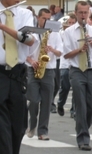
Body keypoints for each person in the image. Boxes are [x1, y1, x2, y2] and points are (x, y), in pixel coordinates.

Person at [0, 0, 36, 154]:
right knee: (1, 129)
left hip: (17, 75)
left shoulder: (25, 14)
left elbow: (29, 40)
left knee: (18, 126)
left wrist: (3, 26)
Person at [63, 1, 92, 151]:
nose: (82, 15)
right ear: (76, 13)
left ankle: (83, 127)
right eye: (80, 13)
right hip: (76, 70)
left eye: (85, 13)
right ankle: (83, 139)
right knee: (80, 104)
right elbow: (66, 55)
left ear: (89, 14)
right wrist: (79, 50)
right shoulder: (68, 32)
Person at [26, 8, 63, 140]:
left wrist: (52, 49)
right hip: (32, 68)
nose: (47, 21)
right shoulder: (31, 32)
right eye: (44, 19)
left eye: (49, 19)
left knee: (47, 102)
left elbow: (60, 53)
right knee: (34, 100)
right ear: (38, 18)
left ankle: (43, 132)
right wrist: (31, 60)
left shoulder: (55, 34)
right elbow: (23, 52)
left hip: (49, 69)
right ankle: (32, 125)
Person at [56, 13, 77, 117]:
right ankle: (60, 103)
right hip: (64, 64)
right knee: (65, 87)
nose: (71, 25)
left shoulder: (78, 33)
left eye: (73, 23)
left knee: (76, 87)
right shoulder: (62, 33)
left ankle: (74, 110)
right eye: (70, 23)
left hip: (75, 63)